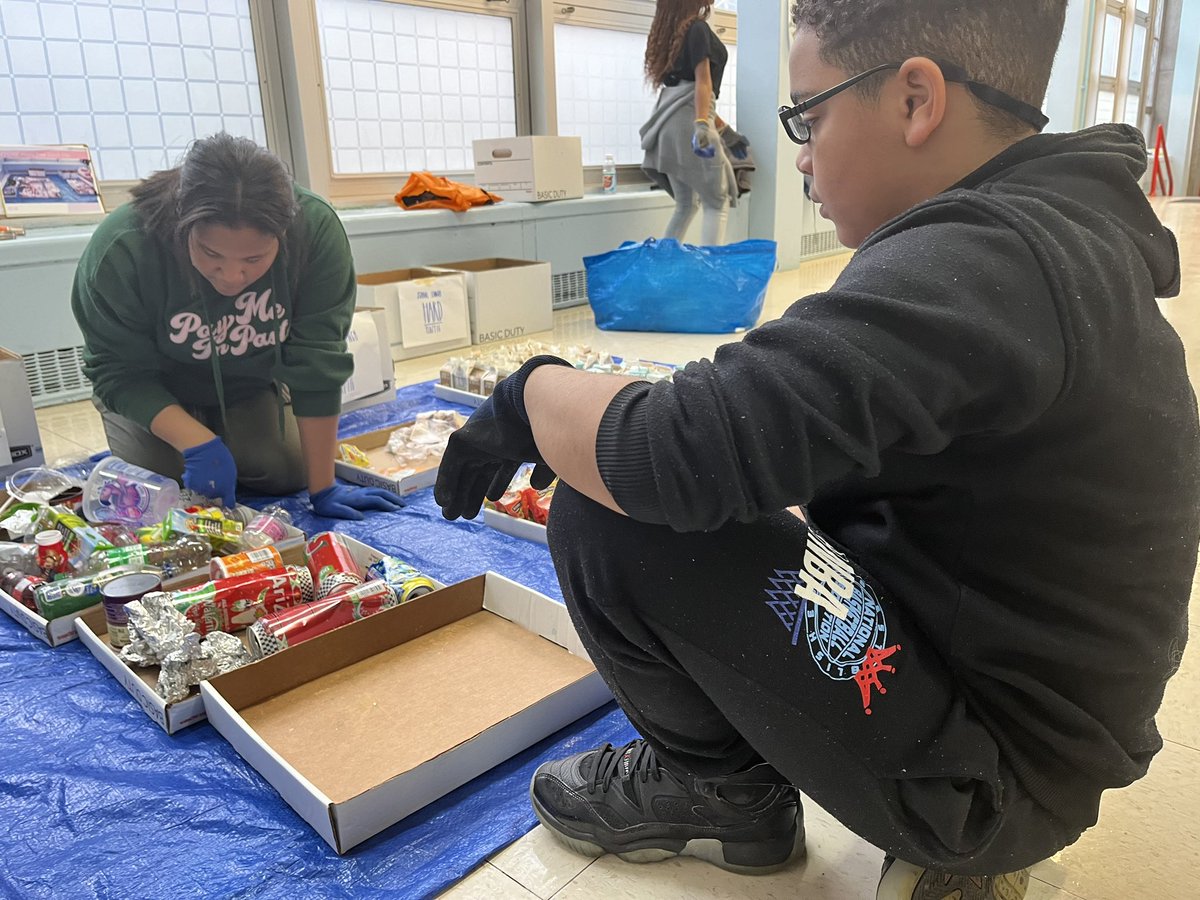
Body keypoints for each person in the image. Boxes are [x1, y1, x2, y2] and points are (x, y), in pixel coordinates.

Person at [434, 0, 1200, 897]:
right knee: (732, 482)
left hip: (995, 775)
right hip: (1019, 704)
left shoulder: (987, 262)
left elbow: (672, 452)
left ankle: (722, 794)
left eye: (809, 115)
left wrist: (527, 393)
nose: (798, 153)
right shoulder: (1048, 231)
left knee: (609, 512)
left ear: (916, 99)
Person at [72, 133, 404, 520]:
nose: (231, 276)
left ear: (283, 234)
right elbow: (117, 372)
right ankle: (192, 439)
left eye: (254, 258)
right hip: (152, 388)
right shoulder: (123, 247)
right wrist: (197, 443)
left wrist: (323, 486)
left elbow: (318, 360)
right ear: (183, 224)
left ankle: (234, 437)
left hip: (246, 383)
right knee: (160, 489)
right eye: (211, 254)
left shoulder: (314, 232)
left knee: (287, 471)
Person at [641, 0, 739, 246]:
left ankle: (663, 265)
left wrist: (724, 131)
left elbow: (691, 92)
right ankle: (708, 274)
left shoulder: (672, 36)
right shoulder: (697, 28)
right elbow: (702, 83)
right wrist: (702, 125)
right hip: (691, 122)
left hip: (667, 122)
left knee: (686, 204)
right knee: (717, 202)